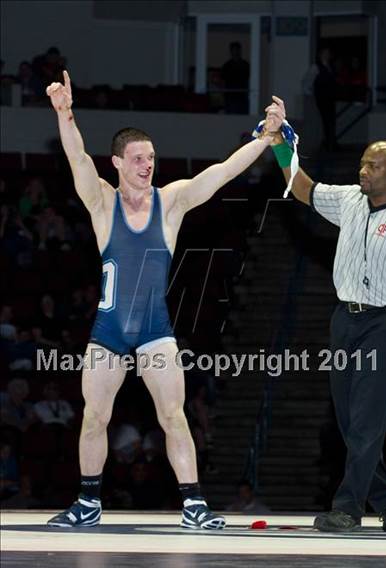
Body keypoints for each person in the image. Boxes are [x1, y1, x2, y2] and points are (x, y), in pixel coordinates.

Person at [44, 70, 278, 529]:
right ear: (116, 162)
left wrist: (265, 138)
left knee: (174, 415)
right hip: (109, 332)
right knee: (95, 415)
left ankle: (193, 505)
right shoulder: (101, 202)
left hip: (154, 332)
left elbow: (223, 172)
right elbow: (76, 160)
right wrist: (65, 114)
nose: (147, 165)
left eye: (150, 158)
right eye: (137, 159)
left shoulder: (170, 201)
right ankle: (88, 502)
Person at [265, 95, 386, 532]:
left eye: (372, 166)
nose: (362, 171)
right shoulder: (350, 200)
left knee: (367, 420)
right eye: (363, 163)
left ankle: (349, 509)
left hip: (385, 326)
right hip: (343, 322)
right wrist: (280, 141)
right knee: (351, 423)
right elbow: (301, 187)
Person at [221, 42, 250, 114]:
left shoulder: (245, 65)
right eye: (234, 50)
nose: (236, 52)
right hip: (230, 96)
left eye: (237, 50)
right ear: (231, 51)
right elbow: (223, 79)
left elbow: (247, 77)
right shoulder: (227, 66)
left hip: (242, 95)